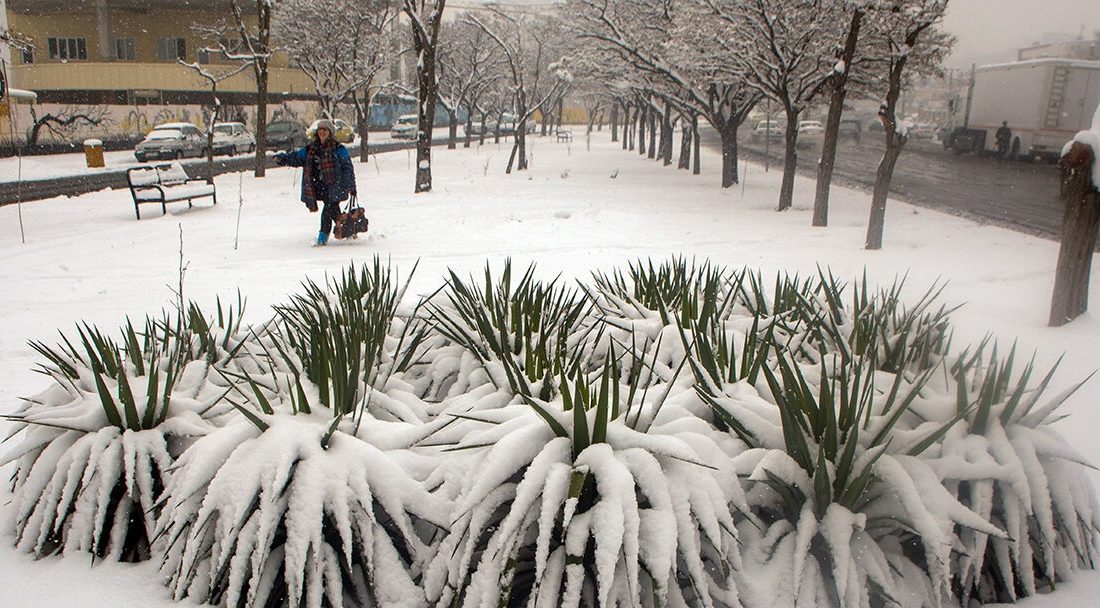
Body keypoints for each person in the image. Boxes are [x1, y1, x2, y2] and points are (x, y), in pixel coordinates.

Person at [273, 119, 357, 246]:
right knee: (333, 211)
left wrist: (351, 186)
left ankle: (322, 238)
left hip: (335, 186)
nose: (322, 132)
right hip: (319, 186)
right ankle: (349, 230)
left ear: (330, 132)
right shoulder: (311, 149)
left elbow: (347, 169)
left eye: (325, 129)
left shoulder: (339, 149)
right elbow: (297, 158)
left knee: (328, 209)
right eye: (320, 129)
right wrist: (283, 159)